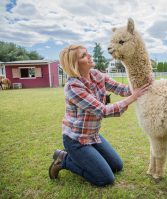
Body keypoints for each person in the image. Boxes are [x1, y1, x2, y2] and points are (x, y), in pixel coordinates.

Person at [49, 44, 151, 187]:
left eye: (87, 53)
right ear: (75, 64)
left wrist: (143, 83)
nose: (89, 56)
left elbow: (121, 89)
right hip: (76, 140)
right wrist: (133, 97)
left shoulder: (96, 75)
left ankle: (88, 158)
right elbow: (102, 110)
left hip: (93, 135)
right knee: (104, 179)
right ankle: (63, 160)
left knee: (117, 166)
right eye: (83, 55)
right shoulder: (73, 87)